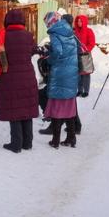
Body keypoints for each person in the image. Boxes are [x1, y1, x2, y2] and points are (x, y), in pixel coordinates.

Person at [0, 9, 39, 153]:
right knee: (26, 108)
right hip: (27, 76)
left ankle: (16, 144)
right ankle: (27, 142)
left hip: (9, 76)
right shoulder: (29, 36)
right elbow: (33, 51)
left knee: (14, 109)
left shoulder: (1, 36)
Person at [42, 11, 79, 149]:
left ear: (51, 22)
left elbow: (58, 52)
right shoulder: (69, 31)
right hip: (72, 72)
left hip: (60, 73)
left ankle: (55, 140)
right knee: (69, 107)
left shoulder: (55, 33)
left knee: (57, 106)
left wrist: (49, 59)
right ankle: (71, 138)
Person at [74, 14, 96, 98]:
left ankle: (86, 91)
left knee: (86, 74)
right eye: (78, 21)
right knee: (79, 74)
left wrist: (86, 49)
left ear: (84, 22)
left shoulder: (89, 31)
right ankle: (79, 90)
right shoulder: (75, 32)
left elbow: (92, 43)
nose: (79, 23)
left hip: (86, 55)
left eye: (80, 21)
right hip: (77, 55)